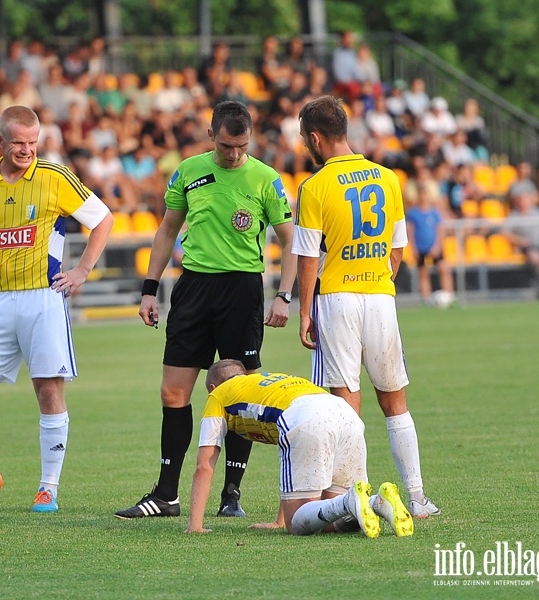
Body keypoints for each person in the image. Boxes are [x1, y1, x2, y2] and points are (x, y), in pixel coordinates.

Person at [115, 100, 297, 520]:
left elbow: (291, 240)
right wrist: (149, 290)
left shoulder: (266, 179)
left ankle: (231, 494)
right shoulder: (188, 171)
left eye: (243, 146)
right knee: (172, 391)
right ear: (211, 135)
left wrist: (284, 296)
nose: (235, 154)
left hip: (242, 292)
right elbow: (167, 230)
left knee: (240, 393)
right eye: (228, 145)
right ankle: (166, 496)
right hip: (193, 287)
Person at [0, 105, 114, 513]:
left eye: (32, 142)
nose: (26, 150)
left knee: (47, 391)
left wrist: (82, 269)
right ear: (0, 142)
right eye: (18, 143)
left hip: (43, 297)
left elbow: (103, 219)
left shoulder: (54, 176)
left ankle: (48, 487)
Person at [291, 95, 440, 518]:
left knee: (344, 403)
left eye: (305, 139)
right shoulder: (388, 178)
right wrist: (375, 280)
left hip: (337, 299)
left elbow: (305, 257)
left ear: (316, 138)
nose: (305, 146)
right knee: (396, 401)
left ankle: (355, 499)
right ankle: (418, 497)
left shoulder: (314, 186)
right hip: (380, 297)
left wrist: (305, 312)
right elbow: (398, 250)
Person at [185, 360, 414, 538]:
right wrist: (278, 521)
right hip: (344, 414)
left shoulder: (217, 395)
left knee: (297, 523)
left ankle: (349, 501)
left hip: (306, 418)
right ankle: (376, 503)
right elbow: (291, 458)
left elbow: (204, 466)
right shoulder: (266, 381)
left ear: (213, 387)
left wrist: (195, 526)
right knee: (328, 523)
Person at [406, 183, 455, 305]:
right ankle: (426, 299)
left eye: (426, 194)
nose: (424, 197)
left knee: (443, 268)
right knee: (423, 272)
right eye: (421, 194)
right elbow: (411, 231)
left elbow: (440, 230)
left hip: (434, 247)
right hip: (421, 247)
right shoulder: (413, 213)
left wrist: (437, 246)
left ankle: (449, 296)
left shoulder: (434, 212)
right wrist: (414, 248)